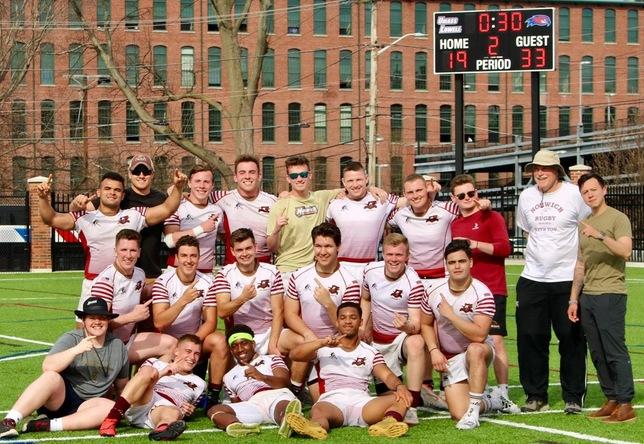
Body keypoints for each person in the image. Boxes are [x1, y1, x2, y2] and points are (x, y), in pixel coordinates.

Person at [37, 170, 187, 312]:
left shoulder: (134, 215)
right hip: (93, 284)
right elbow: (51, 218)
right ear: (99, 192)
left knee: (125, 332)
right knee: (88, 333)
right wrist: (43, 198)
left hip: (126, 285)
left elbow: (167, 208)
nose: (112, 192)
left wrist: (178, 187)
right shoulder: (84, 217)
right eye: (107, 188)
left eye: (117, 190)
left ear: (122, 196)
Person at [515, 149, 590, 413]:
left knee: (571, 338)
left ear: (557, 170)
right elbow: (528, 232)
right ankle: (536, 395)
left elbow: (586, 230)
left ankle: (573, 396)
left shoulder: (573, 195)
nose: (540, 173)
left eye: (545, 168)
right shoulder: (526, 196)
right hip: (533, 279)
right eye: (536, 168)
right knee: (530, 337)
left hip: (566, 280)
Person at [0, 298, 129, 438]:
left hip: (90, 405)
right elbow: (48, 366)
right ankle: (9, 421)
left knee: (113, 408)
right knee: (51, 376)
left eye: (102, 318)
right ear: (83, 320)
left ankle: (44, 425)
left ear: (108, 320)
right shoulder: (71, 338)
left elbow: (122, 386)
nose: (97, 322)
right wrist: (76, 350)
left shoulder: (118, 346)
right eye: (92, 317)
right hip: (61, 398)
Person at [285, 302, 412, 439]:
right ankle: (314, 427)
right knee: (318, 410)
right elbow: (294, 355)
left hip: (362, 404)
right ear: (337, 322)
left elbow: (387, 375)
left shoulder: (370, 352)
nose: (348, 321)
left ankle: (387, 425)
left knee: (401, 397)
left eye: (353, 317)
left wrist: (399, 386)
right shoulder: (324, 347)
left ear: (360, 321)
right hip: (332, 402)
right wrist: (321, 342)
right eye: (343, 318)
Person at [568, 173, 635, 423]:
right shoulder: (583, 223)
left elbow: (626, 251)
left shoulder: (618, 218)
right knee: (596, 351)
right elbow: (580, 264)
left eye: (594, 189)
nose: (590, 194)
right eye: (585, 192)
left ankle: (626, 402)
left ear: (604, 190)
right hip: (589, 296)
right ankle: (612, 398)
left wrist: (601, 236)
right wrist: (574, 299)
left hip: (611, 294)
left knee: (614, 349)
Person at [449, 174, 519, 413]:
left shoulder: (492, 216)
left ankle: (503, 392)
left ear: (477, 193)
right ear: (454, 198)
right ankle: (479, 389)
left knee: (496, 340)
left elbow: (505, 248)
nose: (467, 198)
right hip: (465, 291)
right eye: (462, 195)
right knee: (468, 342)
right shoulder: (454, 223)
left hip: (492, 288)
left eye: (471, 193)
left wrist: (474, 244)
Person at [420, 240, 506, 429]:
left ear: (471, 262)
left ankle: (474, 413)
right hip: (450, 356)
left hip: (478, 351)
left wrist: (451, 315)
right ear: (446, 265)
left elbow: (479, 336)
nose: (457, 266)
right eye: (452, 262)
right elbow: (425, 323)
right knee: (458, 413)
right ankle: (493, 399)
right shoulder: (433, 290)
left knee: (475, 349)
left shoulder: (482, 293)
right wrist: (434, 350)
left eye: (462, 261)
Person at [267, 156, 387, 282]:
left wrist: (371, 188)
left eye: (303, 174)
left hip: (315, 269)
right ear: (288, 179)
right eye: (294, 176)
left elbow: (353, 187)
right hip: (288, 269)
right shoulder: (279, 206)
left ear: (310, 175)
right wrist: (276, 230)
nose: (299, 179)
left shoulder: (321, 198)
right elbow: (271, 248)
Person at [283, 223, 361, 400]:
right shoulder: (299, 276)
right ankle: (292, 395)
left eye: (328, 246)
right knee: (297, 341)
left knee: (321, 399)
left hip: (333, 342)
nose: (323, 252)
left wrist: (329, 304)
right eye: (318, 246)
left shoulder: (350, 282)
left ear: (338, 247)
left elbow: (348, 327)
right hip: (304, 338)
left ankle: (306, 385)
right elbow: (290, 314)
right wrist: (309, 335)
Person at [151, 235, 228, 408]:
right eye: (184, 256)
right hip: (168, 342)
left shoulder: (208, 281)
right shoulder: (163, 282)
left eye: (193, 256)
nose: (189, 260)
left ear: (199, 258)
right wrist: (183, 301)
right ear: (176, 258)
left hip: (195, 338)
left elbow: (210, 322)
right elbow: (159, 322)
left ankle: (213, 395)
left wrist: (191, 346)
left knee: (219, 340)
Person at [360, 233, 426, 424]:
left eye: (399, 255)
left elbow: (416, 325)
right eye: (390, 254)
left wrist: (406, 326)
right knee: (387, 398)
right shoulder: (370, 270)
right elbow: (365, 298)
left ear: (407, 256)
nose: (394, 259)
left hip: (399, 340)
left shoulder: (414, 283)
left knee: (416, 342)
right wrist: (364, 325)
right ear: (383, 253)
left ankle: (413, 406)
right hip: (377, 343)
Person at [71, 154, 169, 281]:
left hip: (151, 272)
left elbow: (171, 214)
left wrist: (179, 191)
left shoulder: (161, 198)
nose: (141, 175)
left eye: (146, 171)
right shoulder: (119, 194)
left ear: (153, 174)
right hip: (123, 274)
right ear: (129, 174)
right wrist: (75, 203)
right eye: (136, 171)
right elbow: (79, 211)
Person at [91, 229, 177, 363]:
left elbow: (138, 292)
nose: (128, 255)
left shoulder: (139, 273)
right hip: (105, 346)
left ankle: (148, 381)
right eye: (123, 250)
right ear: (115, 251)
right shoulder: (105, 281)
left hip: (128, 341)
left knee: (171, 344)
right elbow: (97, 324)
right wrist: (132, 317)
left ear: (139, 253)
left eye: (133, 250)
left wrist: (168, 284)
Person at [98, 334, 205, 440]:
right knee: (149, 371)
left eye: (197, 354)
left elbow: (189, 409)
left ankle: (162, 430)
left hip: (162, 411)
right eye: (188, 351)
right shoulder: (155, 362)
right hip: (142, 400)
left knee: (173, 411)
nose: (192, 357)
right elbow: (142, 381)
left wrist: (188, 411)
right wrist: (164, 372)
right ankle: (112, 418)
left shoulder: (200, 384)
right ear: (176, 351)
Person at [207, 325, 301, 438]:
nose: (240, 349)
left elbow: (285, 383)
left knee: (284, 405)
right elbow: (236, 403)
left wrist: (262, 377)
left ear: (253, 344)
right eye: (234, 346)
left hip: (276, 396)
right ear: (231, 350)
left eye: (244, 343)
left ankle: (288, 420)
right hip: (253, 405)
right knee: (215, 410)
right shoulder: (228, 377)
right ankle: (237, 426)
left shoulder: (271, 359)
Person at [213, 228, 285, 356]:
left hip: (269, 331)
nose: (245, 253)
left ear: (255, 247)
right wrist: (243, 298)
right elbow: (222, 312)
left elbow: (278, 311)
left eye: (248, 248)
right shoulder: (224, 274)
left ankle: (294, 377)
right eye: (239, 250)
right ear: (232, 252)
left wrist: (272, 344)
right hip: (241, 334)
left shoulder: (271, 271)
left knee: (297, 341)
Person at [326, 161, 398, 279]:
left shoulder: (380, 199)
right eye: (350, 181)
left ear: (366, 179)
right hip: (340, 268)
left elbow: (408, 201)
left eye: (359, 180)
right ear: (344, 182)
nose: (355, 184)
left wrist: (430, 192)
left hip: (370, 267)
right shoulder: (334, 204)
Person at [212, 155, 278, 264]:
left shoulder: (273, 201)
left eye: (252, 172)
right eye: (242, 172)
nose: (247, 176)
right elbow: (195, 196)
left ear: (259, 176)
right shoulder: (222, 197)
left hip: (264, 264)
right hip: (233, 264)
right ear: (235, 177)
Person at [164, 165, 223, 274]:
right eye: (197, 181)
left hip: (206, 274)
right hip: (177, 272)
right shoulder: (177, 206)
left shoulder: (218, 211)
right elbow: (169, 241)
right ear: (189, 183)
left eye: (206, 182)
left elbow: (225, 237)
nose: (201, 185)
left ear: (212, 185)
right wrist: (201, 229)